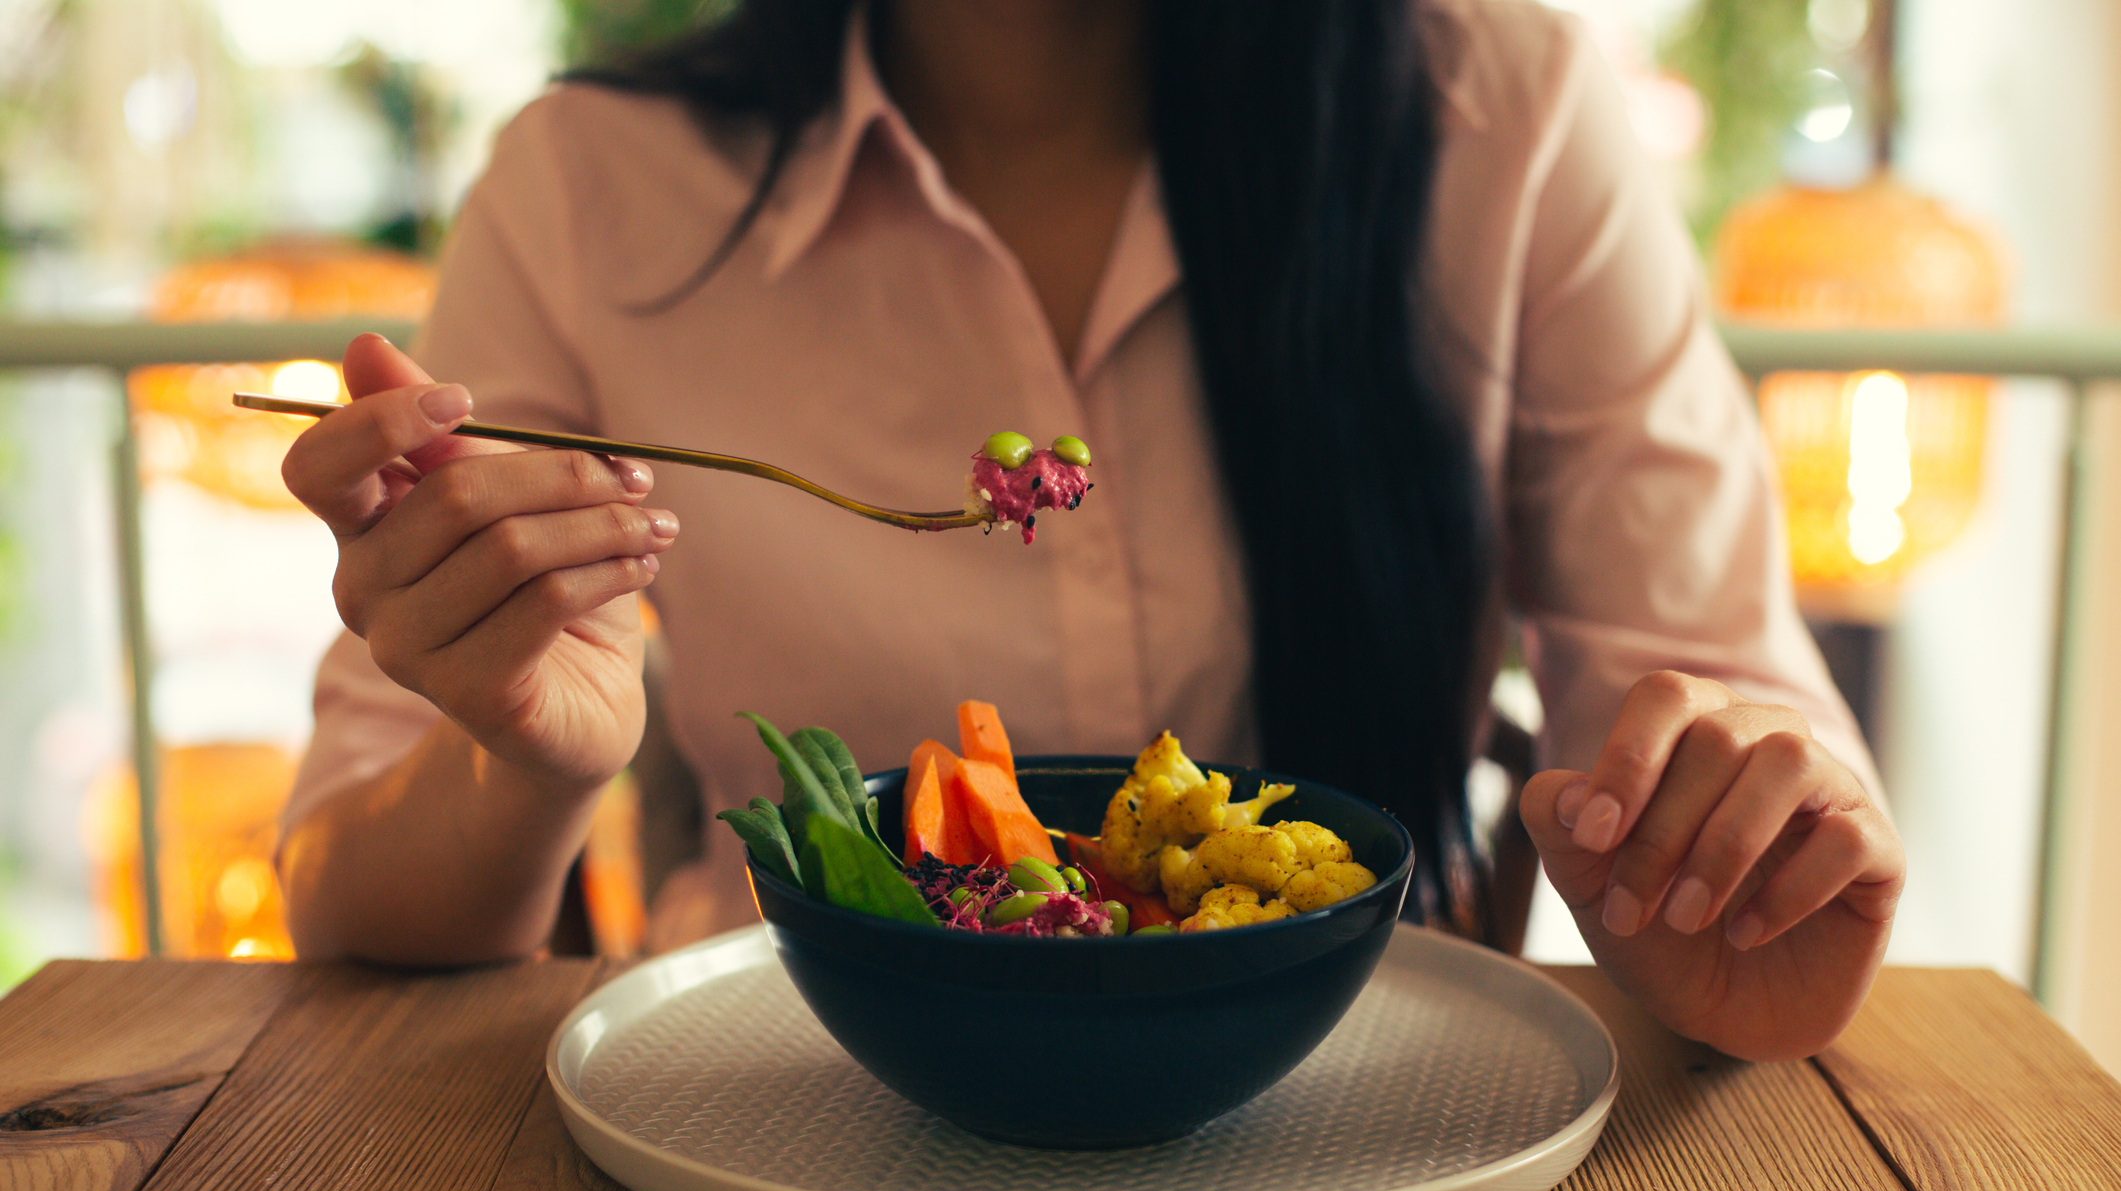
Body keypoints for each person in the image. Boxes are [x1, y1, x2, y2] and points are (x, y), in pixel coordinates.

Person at [275, 0, 1903, 1063]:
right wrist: (522, 754)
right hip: (786, 1118)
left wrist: (1732, 860)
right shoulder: (585, 190)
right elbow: (354, 892)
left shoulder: (1502, 112)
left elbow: (1706, 703)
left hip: (1360, 1143)